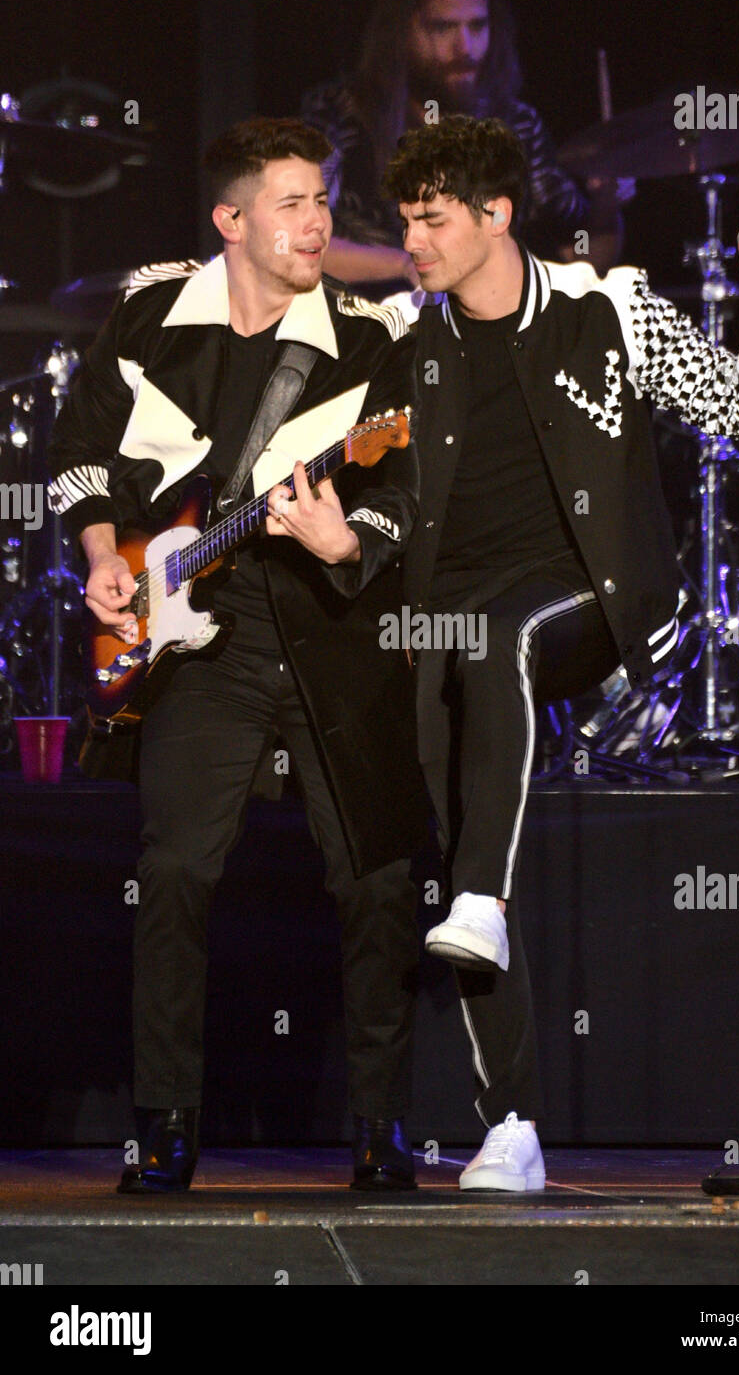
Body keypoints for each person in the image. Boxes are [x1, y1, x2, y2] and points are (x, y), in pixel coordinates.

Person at [380, 114, 739, 1191]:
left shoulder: (603, 305)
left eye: (432, 220)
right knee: (463, 858)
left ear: (496, 215)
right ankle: (511, 1124)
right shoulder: (401, 331)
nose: (415, 241)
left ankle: (481, 895)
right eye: (406, 222)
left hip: (600, 599)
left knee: (501, 645)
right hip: (449, 620)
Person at [47, 117, 429, 1194]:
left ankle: (380, 1127)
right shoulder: (150, 319)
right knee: (172, 870)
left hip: (329, 622)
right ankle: (165, 1125)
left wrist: (346, 538)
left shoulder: (370, 340)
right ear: (232, 219)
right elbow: (82, 455)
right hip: (196, 636)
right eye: (292, 203)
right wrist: (100, 561)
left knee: (378, 878)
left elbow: (409, 488)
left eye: (321, 201)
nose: (316, 223)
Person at [301, 0, 630, 294]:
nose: (466, 48)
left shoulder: (517, 123)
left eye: (477, 26)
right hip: (374, 335)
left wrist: (605, 209)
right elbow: (300, 241)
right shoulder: (340, 114)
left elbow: (579, 262)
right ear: (398, 32)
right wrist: (408, 264)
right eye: (443, 28)